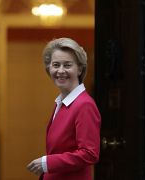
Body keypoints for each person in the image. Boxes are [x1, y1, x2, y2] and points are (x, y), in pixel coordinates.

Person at [27, 38, 101, 180]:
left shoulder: (84, 105)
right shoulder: (62, 102)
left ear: (79, 68)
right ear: (49, 68)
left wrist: (47, 163)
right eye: (56, 65)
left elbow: (89, 154)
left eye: (67, 65)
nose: (60, 71)